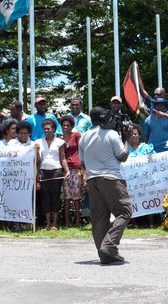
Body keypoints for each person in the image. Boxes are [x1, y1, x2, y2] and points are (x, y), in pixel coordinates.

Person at [78, 106, 132, 265]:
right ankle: (108, 245)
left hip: (92, 180)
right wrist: (127, 139)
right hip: (111, 179)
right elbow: (123, 157)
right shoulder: (111, 134)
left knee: (99, 218)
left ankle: (106, 253)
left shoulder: (84, 137)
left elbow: (82, 162)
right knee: (124, 211)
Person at [36, 118, 70, 231]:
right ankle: (48, 224)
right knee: (45, 197)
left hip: (56, 171)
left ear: (54, 129)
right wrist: (38, 172)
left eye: (48, 129)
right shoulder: (38, 142)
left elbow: (63, 158)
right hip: (43, 171)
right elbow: (38, 160)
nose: (46, 131)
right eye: (44, 129)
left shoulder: (60, 142)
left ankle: (55, 223)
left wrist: (68, 171)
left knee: (55, 197)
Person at [59, 115, 84, 228]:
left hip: (77, 169)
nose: (65, 127)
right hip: (66, 170)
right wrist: (67, 170)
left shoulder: (77, 135)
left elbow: (82, 150)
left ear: (72, 126)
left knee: (77, 198)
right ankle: (67, 223)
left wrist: (84, 170)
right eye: (63, 125)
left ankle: (78, 222)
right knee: (66, 198)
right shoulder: (60, 139)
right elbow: (62, 156)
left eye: (67, 125)